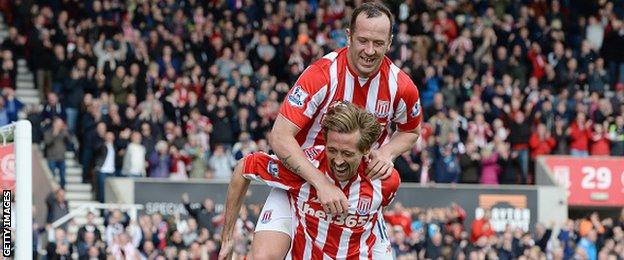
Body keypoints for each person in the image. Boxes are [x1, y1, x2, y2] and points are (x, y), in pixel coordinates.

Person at [256, 2, 423, 259]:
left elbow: (411, 131)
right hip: (300, 184)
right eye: (363, 41)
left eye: (378, 43)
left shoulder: (401, 86)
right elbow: (279, 136)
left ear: (390, 43)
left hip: (358, 195)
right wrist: (320, 181)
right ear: (349, 37)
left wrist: (388, 152)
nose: (369, 51)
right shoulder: (321, 75)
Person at [220, 102, 400, 259]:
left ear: (366, 150)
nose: (338, 161)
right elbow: (244, 167)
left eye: (347, 154)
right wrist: (227, 238)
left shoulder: (386, 181)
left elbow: (379, 208)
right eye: (332, 150)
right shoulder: (304, 168)